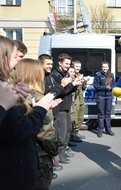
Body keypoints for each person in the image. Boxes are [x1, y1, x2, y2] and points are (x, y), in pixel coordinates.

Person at [0, 35, 57, 189]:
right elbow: (17, 130)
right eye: (15, 57)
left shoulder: (5, 86)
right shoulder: (1, 88)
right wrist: (40, 109)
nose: (18, 63)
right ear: (4, 58)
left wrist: (19, 102)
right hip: (13, 175)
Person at [14, 58, 63, 189]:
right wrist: (55, 153)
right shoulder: (39, 98)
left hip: (16, 158)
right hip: (38, 158)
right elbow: (46, 133)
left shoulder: (12, 96)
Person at [51, 53, 82, 164]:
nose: (68, 66)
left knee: (68, 129)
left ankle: (64, 150)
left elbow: (67, 90)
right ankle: (59, 154)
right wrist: (71, 84)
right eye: (66, 63)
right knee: (61, 133)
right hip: (60, 108)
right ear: (60, 63)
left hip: (67, 106)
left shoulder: (65, 73)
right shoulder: (56, 75)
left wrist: (75, 85)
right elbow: (60, 92)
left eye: (69, 64)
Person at [93, 61, 116, 138]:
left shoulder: (111, 75)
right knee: (101, 113)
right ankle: (100, 131)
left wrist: (111, 88)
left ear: (108, 67)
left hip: (109, 96)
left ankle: (108, 130)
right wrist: (105, 88)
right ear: (101, 67)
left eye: (106, 67)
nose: (105, 68)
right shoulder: (98, 75)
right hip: (101, 96)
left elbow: (114, 85)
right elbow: (96, 85)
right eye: (103, 67)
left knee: (108, 113)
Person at [70, 60, 88, 140]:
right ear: (73, 66)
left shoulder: (81, 75)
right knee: (74, 117)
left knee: (80, 116)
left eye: (79, 67)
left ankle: (76, 132)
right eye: (76, 66)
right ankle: (72, 134)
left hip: (80, 98)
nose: (78, 68)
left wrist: (84, 81)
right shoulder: (71, 75)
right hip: (74, 99)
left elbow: (83, 87)